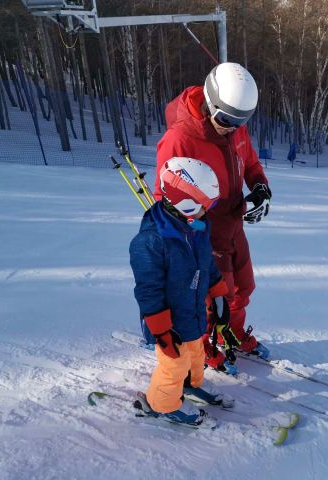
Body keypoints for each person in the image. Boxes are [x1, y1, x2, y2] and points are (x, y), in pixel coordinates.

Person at [153, 62, 272, 371]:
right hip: (202, 232)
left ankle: (231, 333)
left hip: (233, 225)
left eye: (241, 120)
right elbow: (163, 194)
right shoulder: (180, 139)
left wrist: (260, 188)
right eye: (227, 119)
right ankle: (202, 346)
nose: (233, 127)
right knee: (211, 298)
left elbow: (251, 164)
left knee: (243, 288)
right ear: (210, 100)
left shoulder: (234, 129)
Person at [129, 157, 233, 426]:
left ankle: (189, 387)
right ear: (185, 203)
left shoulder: (196, 226)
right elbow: (148, 292)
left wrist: (218, 292)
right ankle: (162, 405)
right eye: (204, 206)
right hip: (167, 322)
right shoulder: (150, 242)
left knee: (196, 354)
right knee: (173, 364)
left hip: (192, 309)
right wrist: (162, 331)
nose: (208, 212)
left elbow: (206, 262)